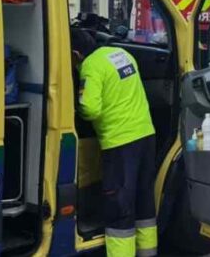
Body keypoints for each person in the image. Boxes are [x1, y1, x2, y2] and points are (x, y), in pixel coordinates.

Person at [72, 30, 158, 257]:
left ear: (75, 54)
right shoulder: (121, 54)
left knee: (119, 207)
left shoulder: (90, 66)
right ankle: (147, 253)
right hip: (146, 136)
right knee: (144, 200)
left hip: (120, 143)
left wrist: (75, 107)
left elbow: (90, 109)